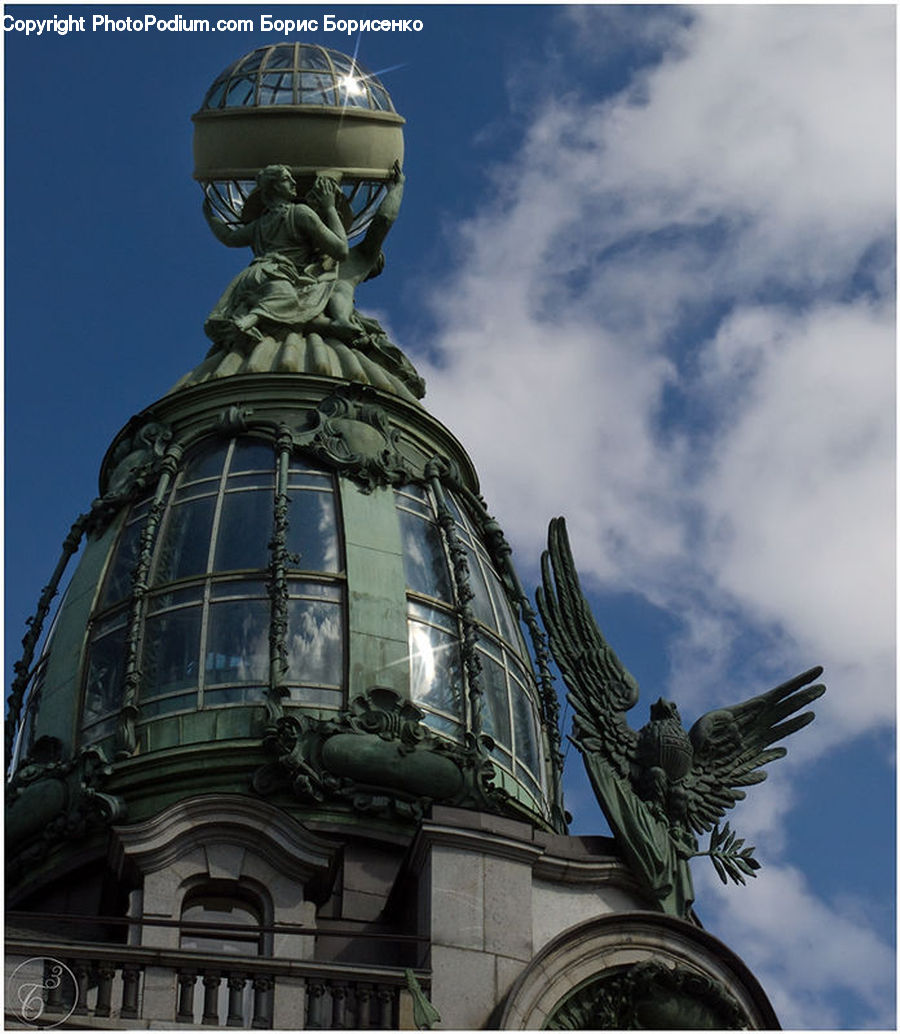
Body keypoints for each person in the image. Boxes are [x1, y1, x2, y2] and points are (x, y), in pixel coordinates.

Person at [203, 165, 349, 351]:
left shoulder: (261, 223)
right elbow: (341, 250)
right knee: (288, 300)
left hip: (251, 276)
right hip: (279, 277)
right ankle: (250, 319)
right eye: (287, 179)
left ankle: (246, 324)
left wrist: (210, 216)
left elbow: (229, 238)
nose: (294, 182)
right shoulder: (300, 213)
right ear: (274, 187)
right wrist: (330, 208)